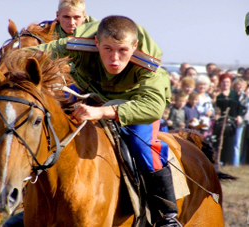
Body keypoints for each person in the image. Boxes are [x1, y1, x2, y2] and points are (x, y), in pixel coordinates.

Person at [27, 15, 181, 226]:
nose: (114, 58)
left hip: (132, 107)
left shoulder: (150, 66)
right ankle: (27, 202)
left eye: (122, 50)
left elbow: (152, 108)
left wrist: (101, 112)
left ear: (134, 46)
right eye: (107, 49)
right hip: (88, 95)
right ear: (96, 43)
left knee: (142, 147)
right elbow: (30, 54)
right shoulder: (75, 47)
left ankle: (166, 216)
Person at [215, 73, 243, 166]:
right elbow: (215, 107)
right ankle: (219, 162)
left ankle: (229, 163)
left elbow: (239, 107)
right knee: (219, 142)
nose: (225, 84)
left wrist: (239, 116)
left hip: (232, 122)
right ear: (220, 83)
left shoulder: (234, 94)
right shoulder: (217, 94)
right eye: (223, 82)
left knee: (231, 143)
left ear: (230, 83)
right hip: (220, 122)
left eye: (227, 82)